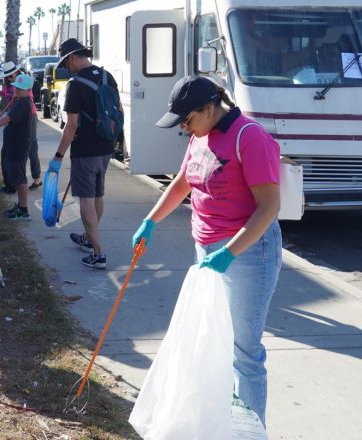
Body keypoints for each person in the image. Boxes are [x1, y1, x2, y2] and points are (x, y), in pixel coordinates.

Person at [132, 75, 282, 424]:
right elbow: (184, 182)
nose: (184, 128)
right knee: (211, 343)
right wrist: (151, 221)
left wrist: (230, 251)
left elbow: (269, 207)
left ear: (211, 108)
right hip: (207, 250)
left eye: (188, 119)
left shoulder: (250, 137)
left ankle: (249, 430)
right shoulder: (201, 136)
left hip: (248, 254)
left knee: (243, 352)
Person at [50, 38, 118, 270]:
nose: (66, 68)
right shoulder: (108, 76)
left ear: (72, 57)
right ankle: (89, 238)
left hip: (85, 150)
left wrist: (59, 155)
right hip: (106, 147)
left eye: (65, 63)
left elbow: (71, 125)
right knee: (98, 195)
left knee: (86, 200)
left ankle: (98, 253)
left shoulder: (76, 85)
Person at [0, 73, 36, 221]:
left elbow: (6, 119)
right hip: (14, 145)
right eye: (16, 87)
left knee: (20, 179)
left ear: (28, 90)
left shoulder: (23, 104)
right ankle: (21, 207)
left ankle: (23, 210)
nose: (16, 90)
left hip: (18, 147)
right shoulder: (20, 101)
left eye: (20, 89)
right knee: (16, 176)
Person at [0, 62, 43, 191]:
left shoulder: (24, 83)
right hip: (15, 115)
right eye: (7, 77)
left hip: (27, 117)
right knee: (13, 146)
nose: (9, 79)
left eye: (10, 76)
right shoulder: (10, 84)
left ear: (15, 73)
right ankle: (14, 181)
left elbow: (26, 96)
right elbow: (5, 94)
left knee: (30, 146)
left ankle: (36, 178)